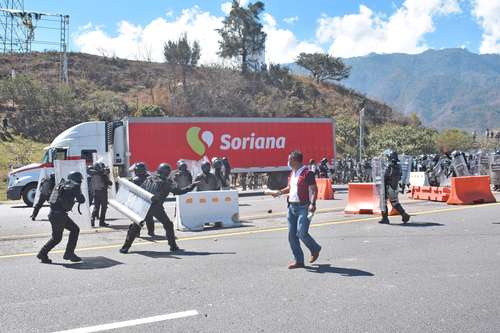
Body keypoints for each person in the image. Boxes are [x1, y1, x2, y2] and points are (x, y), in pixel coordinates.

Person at [120, 163, 197, 253]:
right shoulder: (167, 183)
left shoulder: (149, 178)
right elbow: (179, 191)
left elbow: (141, 190)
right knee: (168, 225)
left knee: (135, 226)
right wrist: (191, 186)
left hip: (144, 205)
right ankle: (173, 246)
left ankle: (125, 248)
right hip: (156, 207)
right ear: (167, 173)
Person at [271, 151, 321, 269]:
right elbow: (290, 188)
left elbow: (314, 190)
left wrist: (313, 204)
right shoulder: (292, 173)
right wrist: (278, 193)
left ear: (295, 160)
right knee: (292, 236)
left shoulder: (307, 173)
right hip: (291, 207)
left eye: (289, 159)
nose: (288, 161)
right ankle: (299, 261)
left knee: (301, 233)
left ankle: (315, 249)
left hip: (304, 207)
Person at [37, 172, 86, 264]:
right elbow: (82, 200)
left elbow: (53, 199)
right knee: (57, 238)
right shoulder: (75, 186)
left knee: (74, 230)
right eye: (80, 180)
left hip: (54, 213)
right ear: (77, 179)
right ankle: (44, 253)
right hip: (60, 216)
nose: (80, 182)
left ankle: (68, 253)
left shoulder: (61, 184)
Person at [379, 150, 410, 225]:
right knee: (395, 203)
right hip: (395, 187)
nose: (387, 158)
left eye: (388, 157)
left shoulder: (391, 167)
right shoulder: (398, 166)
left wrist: (382, 176)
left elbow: (386, 176)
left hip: (389, 186)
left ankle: (385, 218)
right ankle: (404, 215)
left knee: (383, 202)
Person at [131, 162, 155, 237]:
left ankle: (137, 232)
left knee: (138, 218)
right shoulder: (149, 178)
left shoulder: (136, 179)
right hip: (147, 200)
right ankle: (151, 232)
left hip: (139, 201)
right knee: (149, 218)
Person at [88, 162, 112, 227]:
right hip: (103, 192)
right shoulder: (102, 174)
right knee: (104, 208)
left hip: (95, 192)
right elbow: (109, 183)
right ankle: (101, 222)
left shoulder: (92, 174)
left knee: (96, 207)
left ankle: (92, 219)